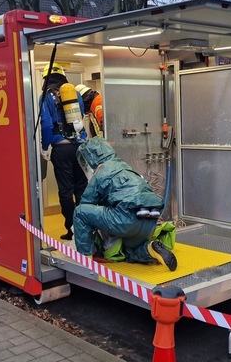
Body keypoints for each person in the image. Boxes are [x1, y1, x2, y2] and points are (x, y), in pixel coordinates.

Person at [73, 137, 177, 271]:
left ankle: (85, 261)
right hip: (151, 216)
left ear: (92, 159)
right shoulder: (125, 166)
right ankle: (151, 249)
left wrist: (86, 239)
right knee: (130, 252)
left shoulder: (101, 172)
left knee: (80, 212)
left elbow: (86, 205)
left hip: (127, 217)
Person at [40, 63, 88, 240]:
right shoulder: (74, 93)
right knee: (82, 189)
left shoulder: (45, 96)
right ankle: (85, 228)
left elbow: (45, 125)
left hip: (61, 149)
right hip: (80, 147)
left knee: (66, 190)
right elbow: (81, 116)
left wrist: (45, 147)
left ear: (46, 78)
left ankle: (72, 228)